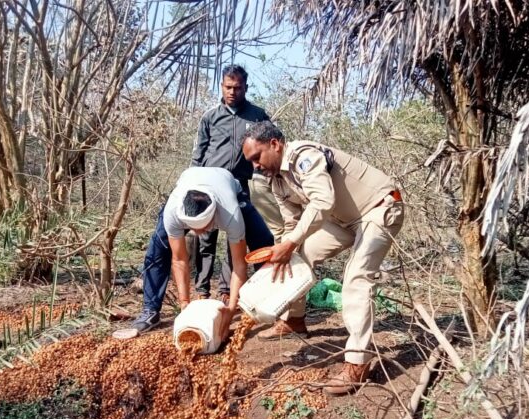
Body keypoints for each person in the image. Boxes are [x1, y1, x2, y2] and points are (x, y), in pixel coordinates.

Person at [241, 121, 405, 394]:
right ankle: (295, 320)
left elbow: (322, 202)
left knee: (356, 278)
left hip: (379, 208)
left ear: (274, 144)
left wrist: (290, 242)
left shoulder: (304, 157)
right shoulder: (277, 181)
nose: (255, 166)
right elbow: (291, 224)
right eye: (250, 162)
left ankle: (358, 362)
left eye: (256, 157)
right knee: (297, 257)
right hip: (343, 222)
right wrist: (282, 251)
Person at [131, 167, 273, 334]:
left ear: (213, 216)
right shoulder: (173, 212)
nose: (199, 233)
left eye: (204, 227)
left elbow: (239, 265)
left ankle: (264, 303)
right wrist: (184, 303)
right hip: (188, 183)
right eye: (193, 228)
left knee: (263, 242)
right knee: (157, 250)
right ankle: (150, 310)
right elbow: (179, 260)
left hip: (229, 188)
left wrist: (231, 309)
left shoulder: (231, 214)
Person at [190, 64, 275, 304]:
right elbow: (199, 152)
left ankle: (227, 290)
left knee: (235, 238)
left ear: (246, 88)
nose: (232, 92)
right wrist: (193, 182)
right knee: (205, 237)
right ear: (221, 86)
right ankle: (202, 288)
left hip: (238, 186)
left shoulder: (257, 115)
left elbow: (270, 144)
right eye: (228, 87)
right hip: (207, 186)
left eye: (238, 88)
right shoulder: (210, 116)